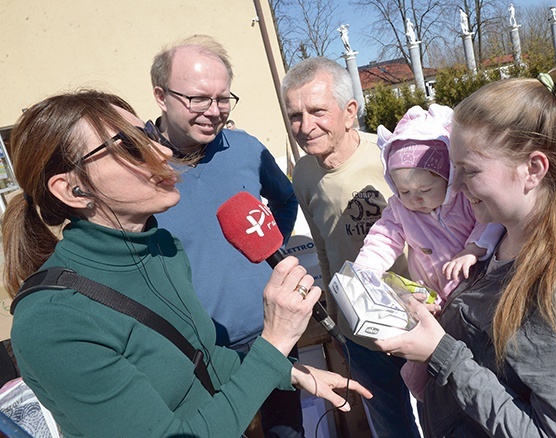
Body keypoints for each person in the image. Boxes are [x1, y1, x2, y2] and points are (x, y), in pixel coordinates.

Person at [2, 90, 372, 438]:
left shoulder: (162, 247)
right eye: (130, 145)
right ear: (72, 189)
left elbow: (204, 361)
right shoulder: (52, 320)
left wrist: (288, 371)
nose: (161, 151)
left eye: (147, 132)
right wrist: (274, 344)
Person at [375, 67, 556, 437]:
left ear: (533, 168)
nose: (455, 183)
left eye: (468, 170)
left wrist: (441, 353)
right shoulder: (496, 238)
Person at [149, 35, 303, 436]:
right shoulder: (136, 168)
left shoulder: (245, 148)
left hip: (274, 333)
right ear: (161, 95)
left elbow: (285, 200)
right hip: (195, 352)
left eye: (223, 99)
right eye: (198, 99)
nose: (214, 112)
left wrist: (270, 253)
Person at [282, 56, 421, 438]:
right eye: (294, 115)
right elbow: (323, 245)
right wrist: (336, 313)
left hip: (419, 316)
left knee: (445, 414)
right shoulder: (305, 173)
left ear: (349, 112)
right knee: (391, 423)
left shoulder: (390, 156)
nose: (305, 127)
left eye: (317, 111)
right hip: (360, 329)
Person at [353, 104, 502, 402]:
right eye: (404, 191)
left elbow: (491, 218)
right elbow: (383, 237)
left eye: (424, 188)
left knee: (481, 356)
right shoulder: (400, 209)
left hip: (475, 293)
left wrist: (473, 249)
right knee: (418, 371)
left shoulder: (462, 198)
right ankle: (432, 402)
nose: (415, 199)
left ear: (447, 177)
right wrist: (366, 270)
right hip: (433, 299)